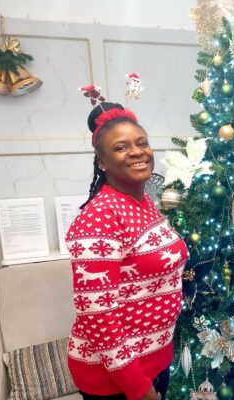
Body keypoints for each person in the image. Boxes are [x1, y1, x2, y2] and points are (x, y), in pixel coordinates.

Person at [66, 102, 188, 400]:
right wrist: (137, 386)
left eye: (142, 143)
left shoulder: (143, 203)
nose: (136, 152)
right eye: (121, 147)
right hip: (117, 378)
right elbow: (97, 315)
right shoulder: (100, 217)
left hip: (154, 360)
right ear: (102, 162)